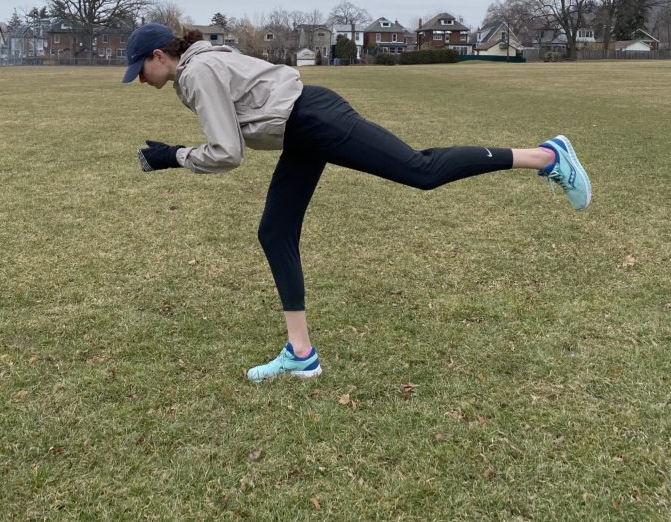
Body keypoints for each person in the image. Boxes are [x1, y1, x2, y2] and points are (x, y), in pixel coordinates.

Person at [122, 23, 592, 382]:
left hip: (314, 120)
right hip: (300, 128)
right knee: (274, 231)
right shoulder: (202, 61)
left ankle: (546, 156)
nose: (139, 81)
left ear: (160, 56)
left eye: (139, 69)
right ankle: (301, 354)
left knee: (420, 171)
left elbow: (228, 153)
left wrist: (173, 157)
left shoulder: (196, 72)